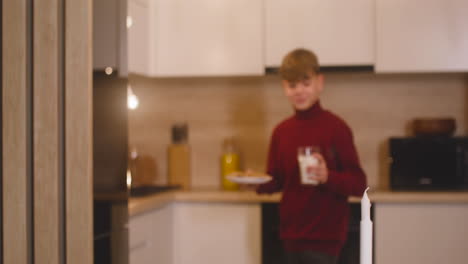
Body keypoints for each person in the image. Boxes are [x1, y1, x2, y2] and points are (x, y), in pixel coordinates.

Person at [255, 48, 367, 264]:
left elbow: (359, 184)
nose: (299, 91)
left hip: (325, 238)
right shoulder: (281, 131)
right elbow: (276, 180)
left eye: (305, 84)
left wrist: (327, 177)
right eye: (292, 85)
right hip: (290, 235)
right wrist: (254, 182)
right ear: (284, 87)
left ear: (320, 83)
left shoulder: (336, 128)